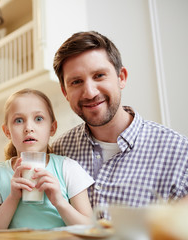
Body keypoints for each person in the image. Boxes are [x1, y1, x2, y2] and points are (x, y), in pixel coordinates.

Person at [52, 31, 188, 207]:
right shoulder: (58, 152)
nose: (90, 92)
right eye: (76, 82)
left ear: (121, 77)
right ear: (65, 92)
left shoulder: (179, 153)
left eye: (99, 75)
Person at [0, 88, 94, 229]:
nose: (28, 128)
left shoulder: (68, 168)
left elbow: (90, 228)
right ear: (7, 132)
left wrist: (59, 201)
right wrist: (13, 198)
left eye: (38, 119)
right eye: (19, 120)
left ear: (52, 128)